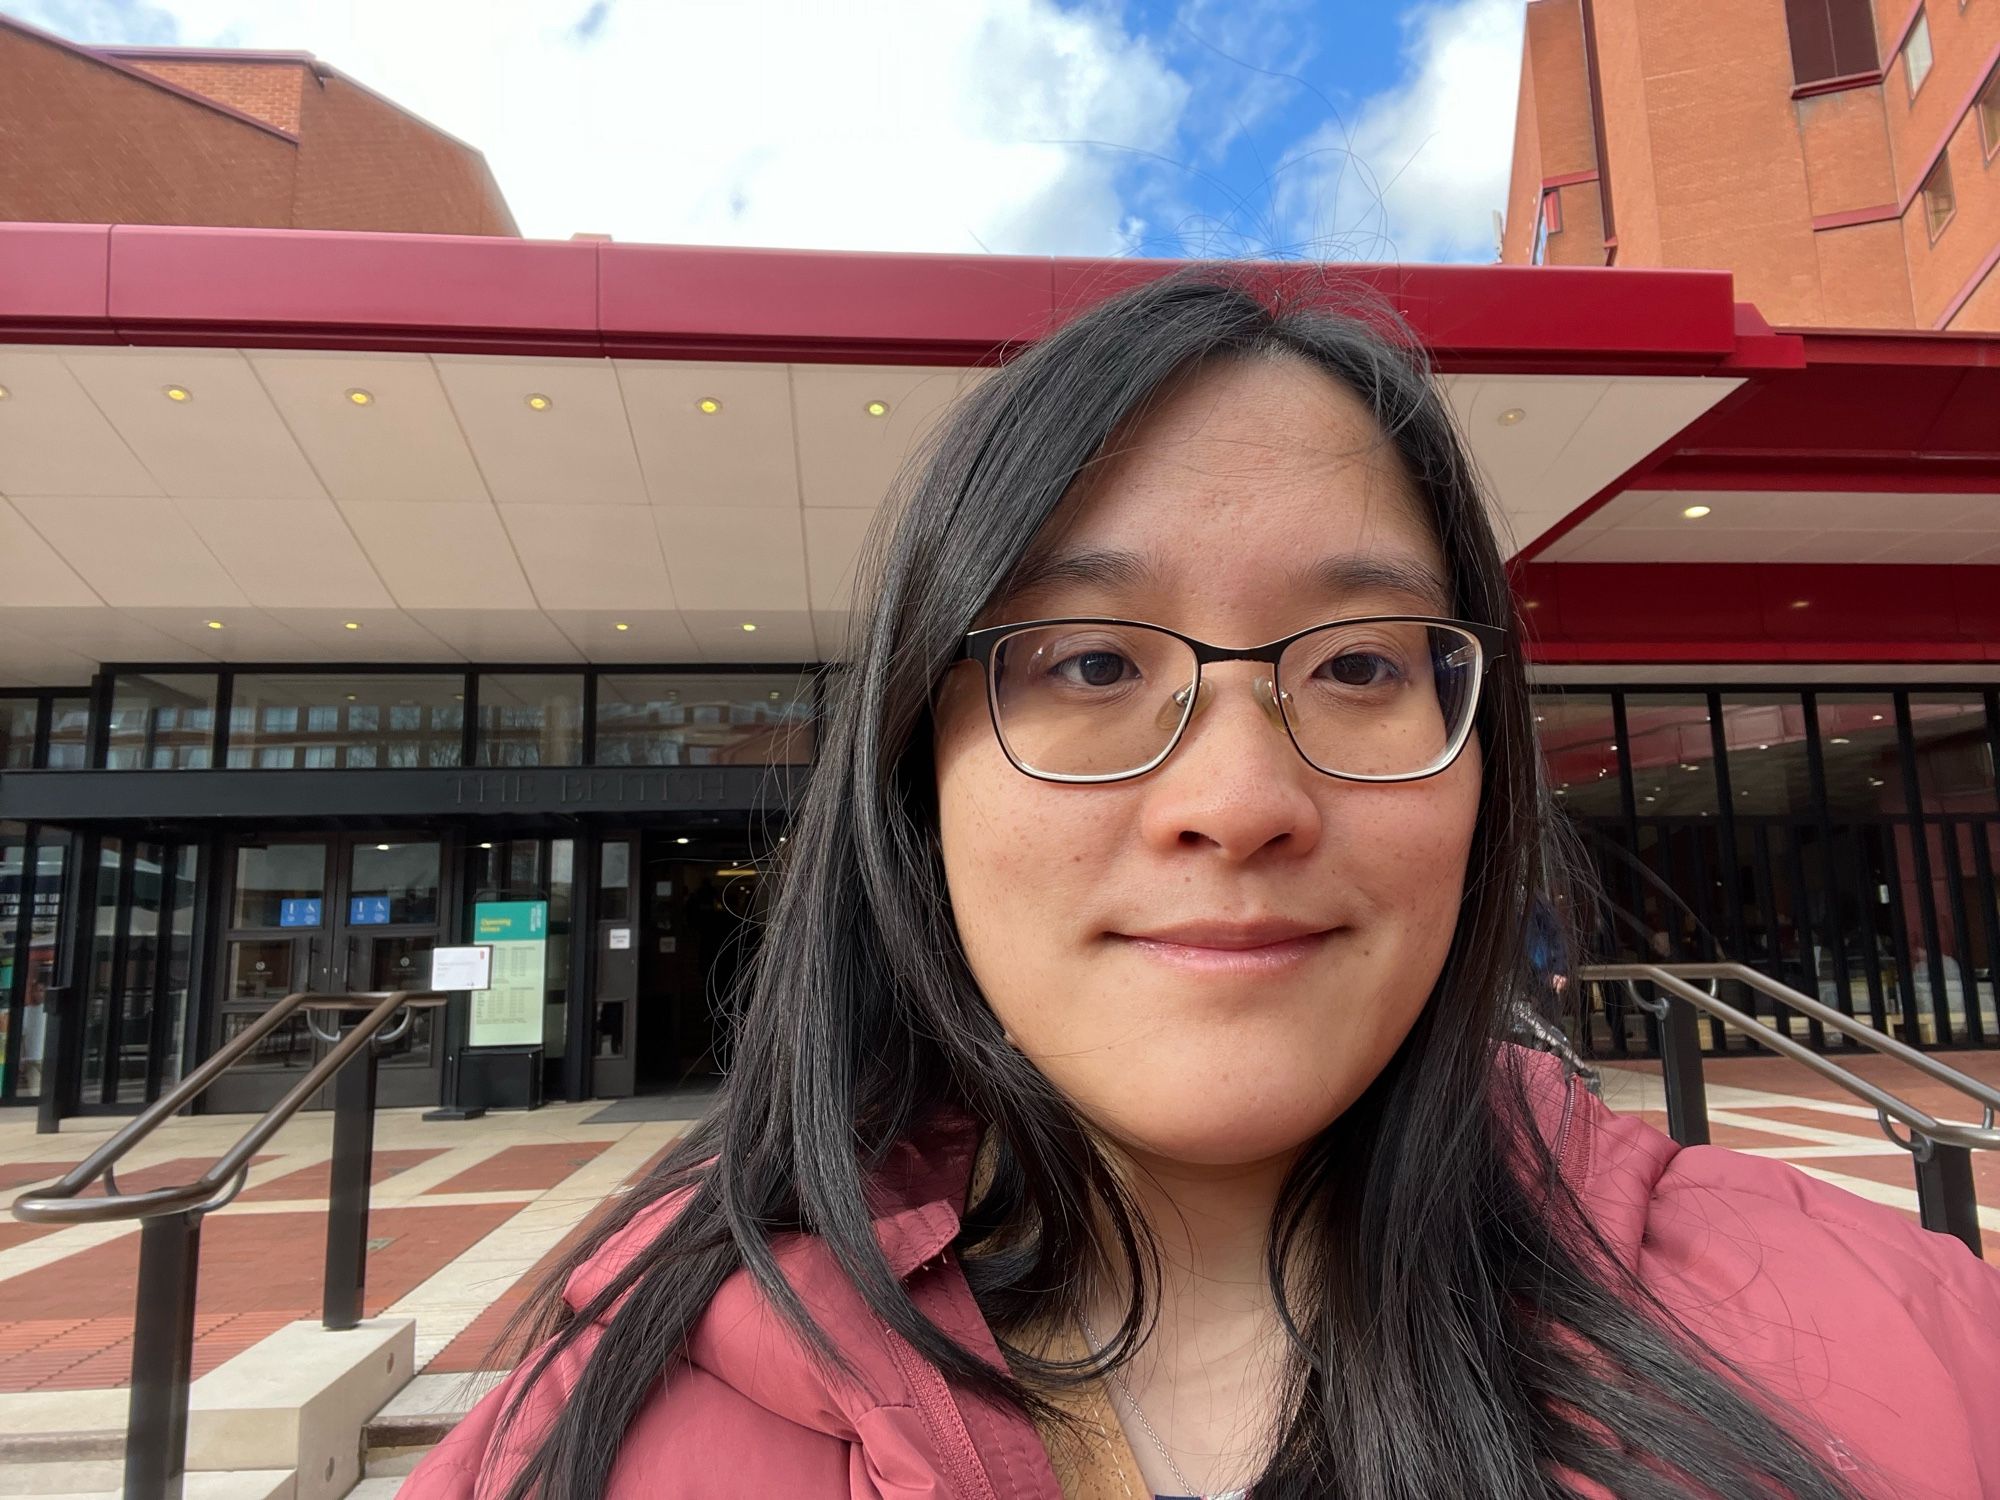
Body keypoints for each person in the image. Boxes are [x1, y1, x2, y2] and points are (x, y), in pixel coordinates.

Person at [403, 272, 2000, 1500]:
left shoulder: (1915, 1358)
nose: (1239, 804)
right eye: (1091, 660)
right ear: (916, 784)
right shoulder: (591, 1426)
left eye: (1364, 662)